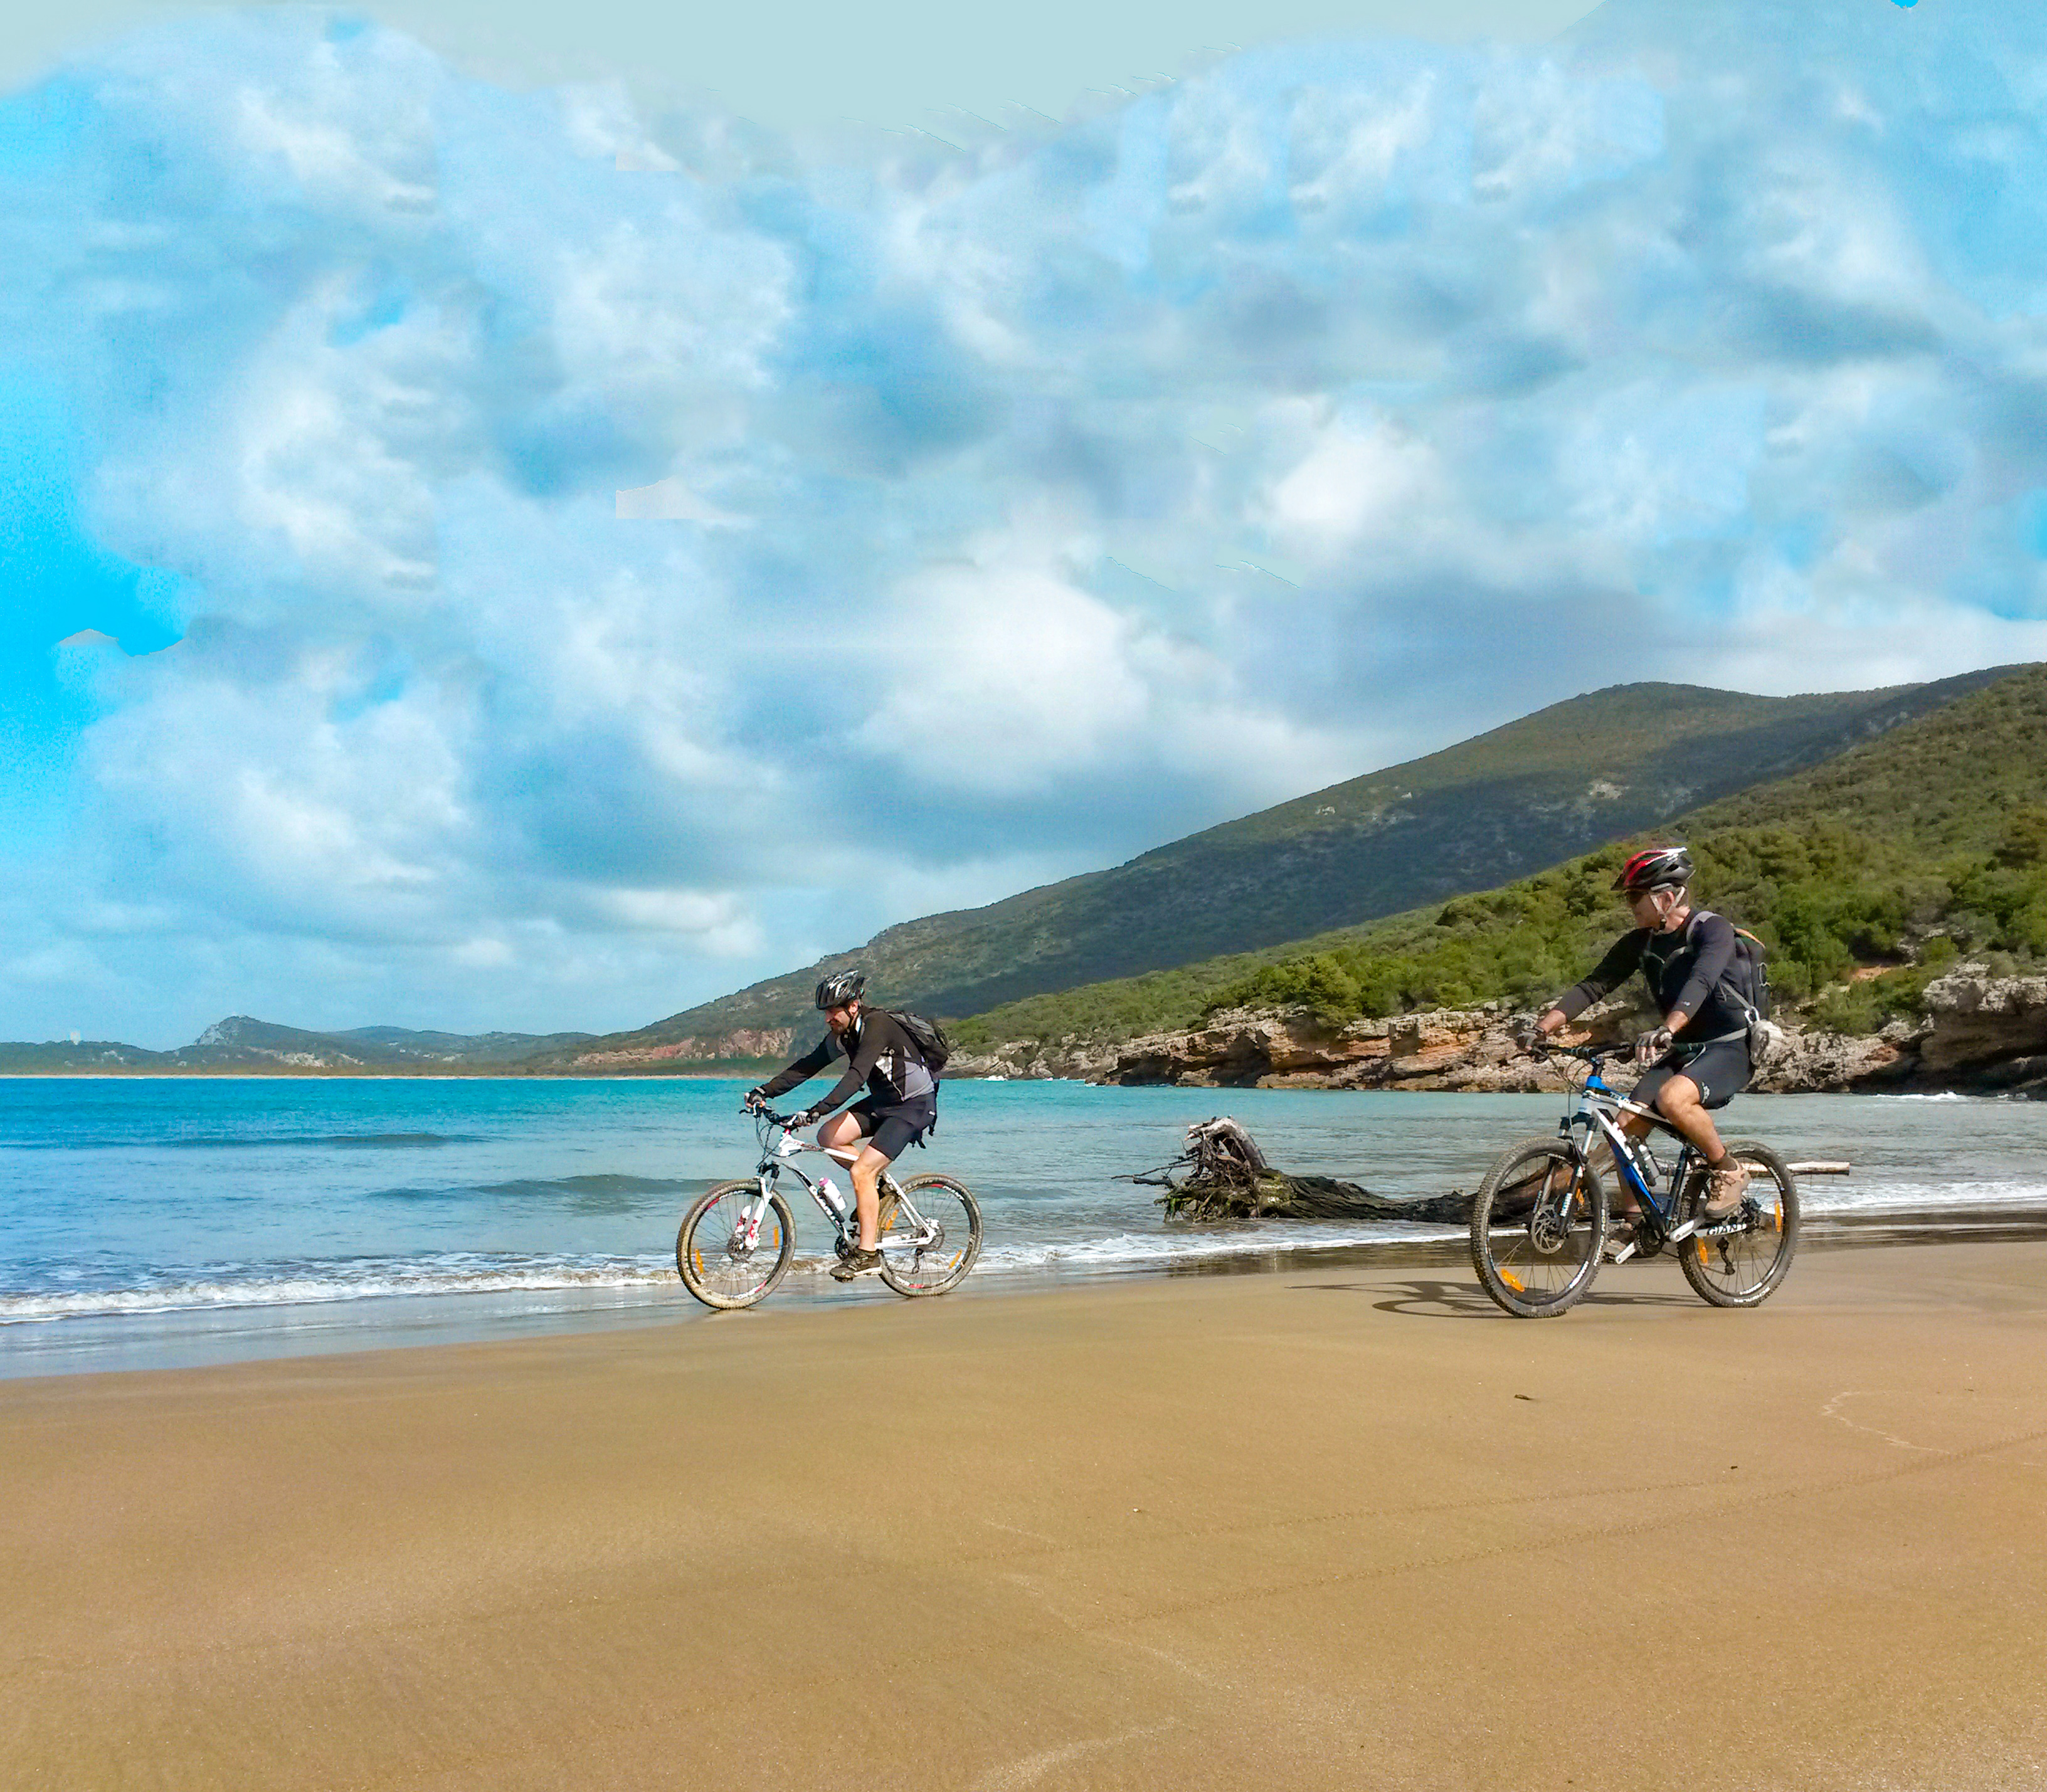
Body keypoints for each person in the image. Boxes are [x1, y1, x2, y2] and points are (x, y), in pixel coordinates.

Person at [1528, 846, 1753, 1254]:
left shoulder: (1711, 930)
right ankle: (1635, 1223)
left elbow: (1701, 981)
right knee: (1623, 1128)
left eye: (1636, 896)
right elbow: (1594, 985)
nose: (1630, 905)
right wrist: (1543, 1027)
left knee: (1672, 1098)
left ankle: (1730, 1170)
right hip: (1684, 1048)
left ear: (1666, 897)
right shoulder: (1641, 942)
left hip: (1730, 1046)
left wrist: (1668, 1027)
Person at [746, 971, 939, 1281]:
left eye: (833, 1010)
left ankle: (868, 1255)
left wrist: (818, 1109)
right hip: (884, 1102)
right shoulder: (844, 1034)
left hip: (913, 1106)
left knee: (861, 1170)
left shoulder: (878, 1026)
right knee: (829, 1136)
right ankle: (876, 1191)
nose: (828, 1018)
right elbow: (808, 1066)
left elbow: (856, 1076)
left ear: (853, 1006)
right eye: (825, 1012)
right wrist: (764, 1091)